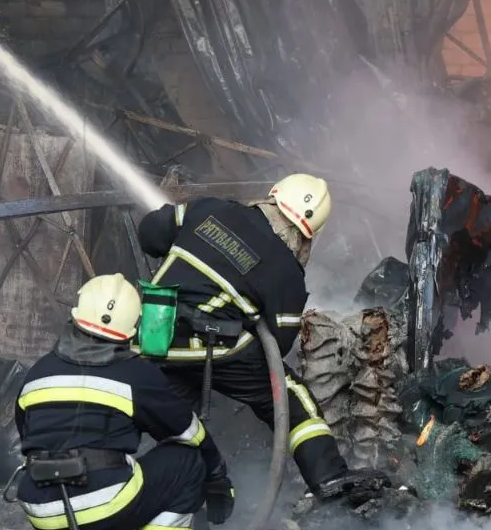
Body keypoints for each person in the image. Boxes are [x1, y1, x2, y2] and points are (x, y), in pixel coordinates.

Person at [136, 173, 390, 507]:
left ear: (272, 197)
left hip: (154, 334)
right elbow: (278, 345)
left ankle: (186, 520)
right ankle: (328, 476)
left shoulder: (209, 209)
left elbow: (150, 233)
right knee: (290, 394)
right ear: (308, 236)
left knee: (180, 430)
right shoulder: (287, 272)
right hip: (214, 347)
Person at [12, 273, 235, 530]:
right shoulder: (137, 375)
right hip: (100, 502)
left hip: (40, 507)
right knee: (186, 462)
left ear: (77, 315)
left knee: (85, 473)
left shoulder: (38, 372)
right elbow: (189, 433)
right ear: (132, 328)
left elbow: (29, 437)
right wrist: (216, 475)